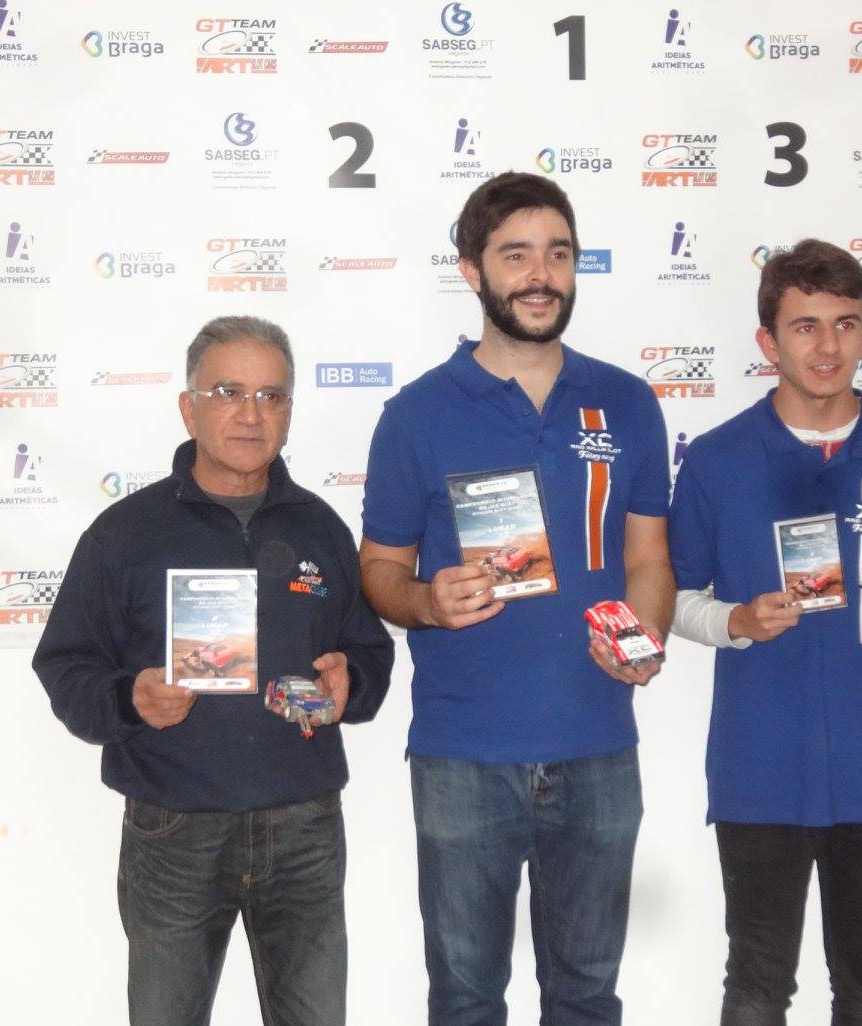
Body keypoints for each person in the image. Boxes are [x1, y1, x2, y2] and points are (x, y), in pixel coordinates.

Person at [359, 172, 675, 1026]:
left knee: (586, 999)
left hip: (599, 746)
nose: (541, 275)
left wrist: (645, 635)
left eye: (558, 254)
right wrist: (427, 600)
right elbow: (379, 568)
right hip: (464, 755)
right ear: (472, 271)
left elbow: (649, 556)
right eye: (516, 255)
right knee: (465, 1001)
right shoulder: (415, 416)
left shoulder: (628, 403)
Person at [33, 315, 393, 1026]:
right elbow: (65, 664)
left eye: (271, 396)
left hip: (304, 827)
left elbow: (371, 652)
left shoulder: (319, 526)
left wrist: (351, 682)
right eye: (228, 392)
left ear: (289, 411)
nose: (251, 415)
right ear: (188, 407)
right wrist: (129, 699)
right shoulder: (126, 532)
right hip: (174, 829)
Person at [667, 239, 862, 1026]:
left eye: (845, 323)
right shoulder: (717, 461)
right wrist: (733, 621)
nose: (827, 345)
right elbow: (673, 599)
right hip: (757, 766)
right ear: (768, 342)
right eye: (804, 326)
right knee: (756, 987)